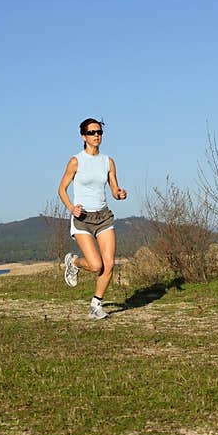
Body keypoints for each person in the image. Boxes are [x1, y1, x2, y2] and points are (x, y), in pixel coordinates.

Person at [57, 117, 127, 320]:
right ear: (83, 136)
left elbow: (114, 189)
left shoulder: (108, 161)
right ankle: (74, 262)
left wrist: (120, 194)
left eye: (99, 132)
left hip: (103, 217)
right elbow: (61, 189)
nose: (96, 136)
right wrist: (71, 207)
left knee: (109, 264)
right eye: (92, 133)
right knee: (96, 265)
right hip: (83, 218)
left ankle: (96, 305)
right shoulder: (76, 161)